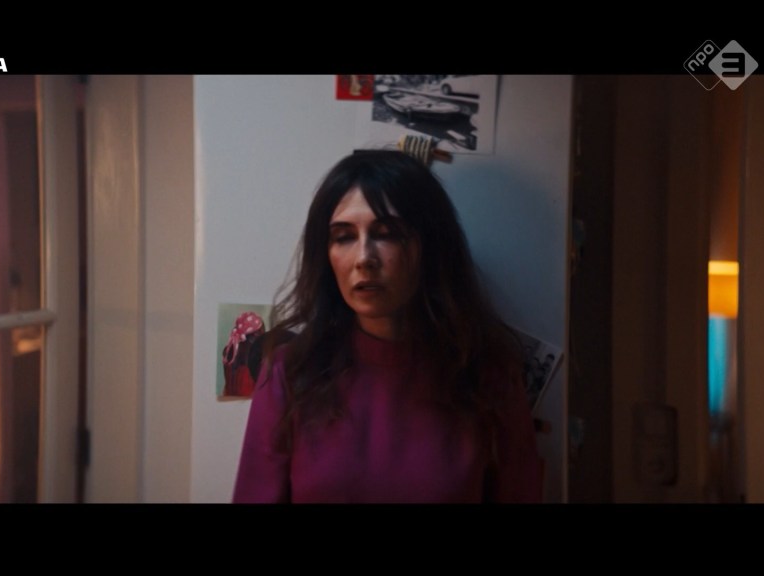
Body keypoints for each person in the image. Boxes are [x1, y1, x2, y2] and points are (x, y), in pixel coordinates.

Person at [232, 150, 542, 503]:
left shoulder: (490, 377)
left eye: (387, 233)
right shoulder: (289, 373)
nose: (364, 258)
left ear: (430, 245)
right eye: (343, 237)